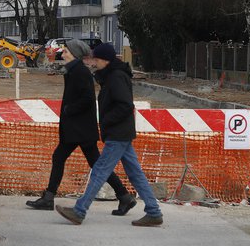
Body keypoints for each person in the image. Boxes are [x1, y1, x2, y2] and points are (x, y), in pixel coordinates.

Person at [55, 43, 164, 227]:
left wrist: (106, 121)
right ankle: (153, 212)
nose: (94, 62)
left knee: (99, 171)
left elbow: (125, 105)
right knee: (135, 173)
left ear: (105, 60)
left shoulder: (116, 77)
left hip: (118, 133)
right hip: (120, 132)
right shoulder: (112, 76)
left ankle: (79, 211)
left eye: (96, 59)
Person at [26, 39, 136, 216]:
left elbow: (87, 100)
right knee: (94, 164)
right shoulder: (74, 70)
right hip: (78, 128)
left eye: (67, 51)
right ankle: (123, 196)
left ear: (75, 54)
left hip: (80, 129)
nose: (63, 53)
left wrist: (69, 109)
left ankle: (49, 197)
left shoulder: (80, 72)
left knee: (69, 159)